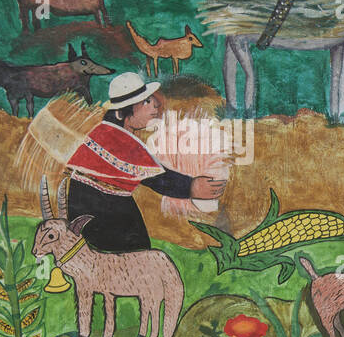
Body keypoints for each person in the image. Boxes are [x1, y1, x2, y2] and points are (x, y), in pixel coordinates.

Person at [64, 73, 227, 252]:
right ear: (121, 113)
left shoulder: (106, 133)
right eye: (145, 102)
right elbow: (158, 179)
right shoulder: (116, 140)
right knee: (136, 253)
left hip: (99, 206)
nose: (155, 105)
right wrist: (192, 187)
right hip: (100, 213)